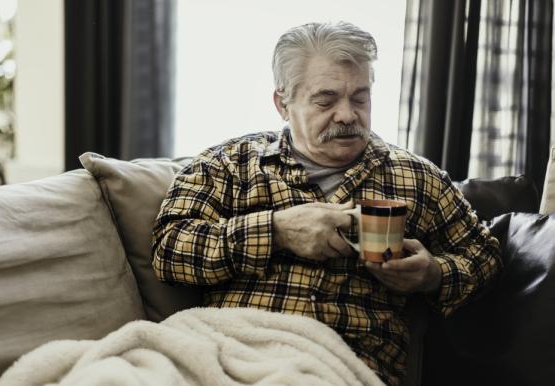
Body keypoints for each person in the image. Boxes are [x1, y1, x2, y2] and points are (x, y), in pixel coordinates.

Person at [152, 21, 501, 386]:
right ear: (282, 103)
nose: (348, 115)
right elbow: (169, 251)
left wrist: (432, 274)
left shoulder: (418, 178)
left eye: (360, 97)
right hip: (226, 349)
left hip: (343, 364)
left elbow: (485, 257)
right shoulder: (227, 165)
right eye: (326, 100)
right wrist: (276, 231)